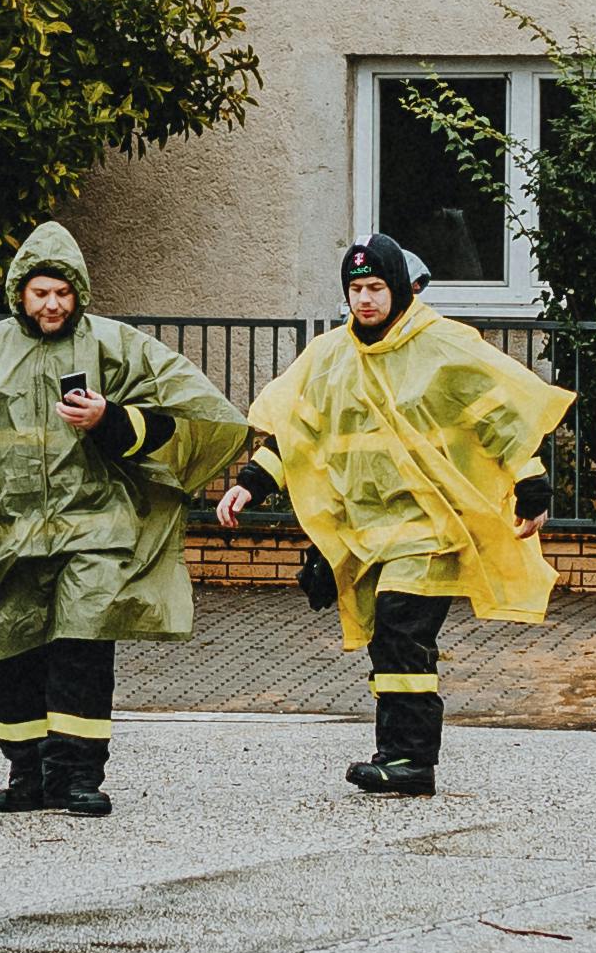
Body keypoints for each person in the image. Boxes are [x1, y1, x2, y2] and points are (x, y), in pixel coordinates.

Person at [0, 220, 250, 818]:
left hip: (94, 528)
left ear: (78, 291)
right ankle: (27, 773)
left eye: (62, 292)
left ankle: (78, 775)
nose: (52, 304)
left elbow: (171, 418)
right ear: (20, 294)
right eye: (41, 293)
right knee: (12, 651)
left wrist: (110, 419)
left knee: (82, 650)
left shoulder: (116, 347)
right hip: (4, 530)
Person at [224, 235, 570, 797]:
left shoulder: (443, 345)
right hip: (366, 528)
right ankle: (396, 756)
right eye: (356, 289)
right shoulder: (330, 356)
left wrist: (530, 485)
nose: (364, 299)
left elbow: (499, 416)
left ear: (400, 290)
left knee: (401, 625)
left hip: (431, 523)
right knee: (387, 636)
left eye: (376, 288)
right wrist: (251, 484)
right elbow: (298, 432)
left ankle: (411, 759)